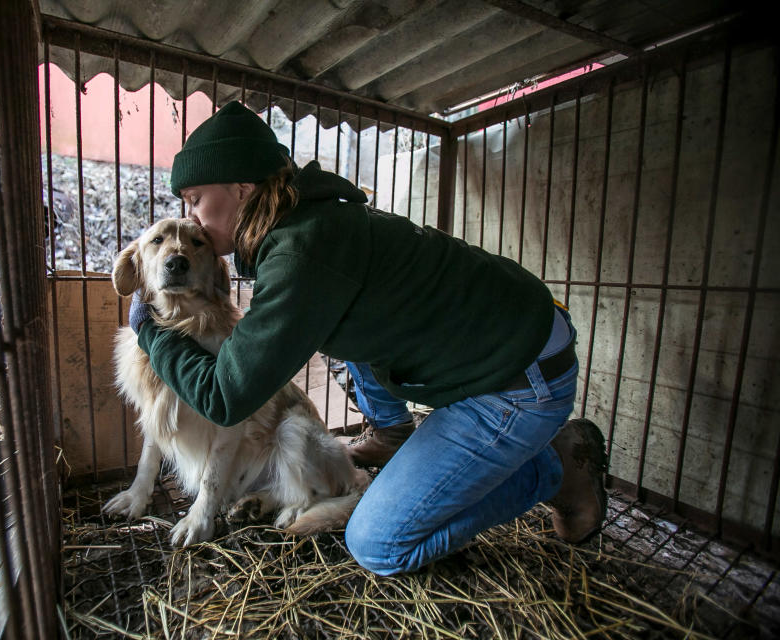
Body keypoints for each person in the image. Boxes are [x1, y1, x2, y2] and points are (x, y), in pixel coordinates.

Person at [129, 101, 606, 575]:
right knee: (348, 330)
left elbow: (225, 398)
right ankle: (394, 433)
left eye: (194, 199)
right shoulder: (309, 224)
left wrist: (151, 332)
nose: (189, 215)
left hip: (520, 378)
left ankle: (556, 468)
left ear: (241, 188)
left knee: (380, 544)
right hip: (512, 338)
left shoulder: (301, 252)